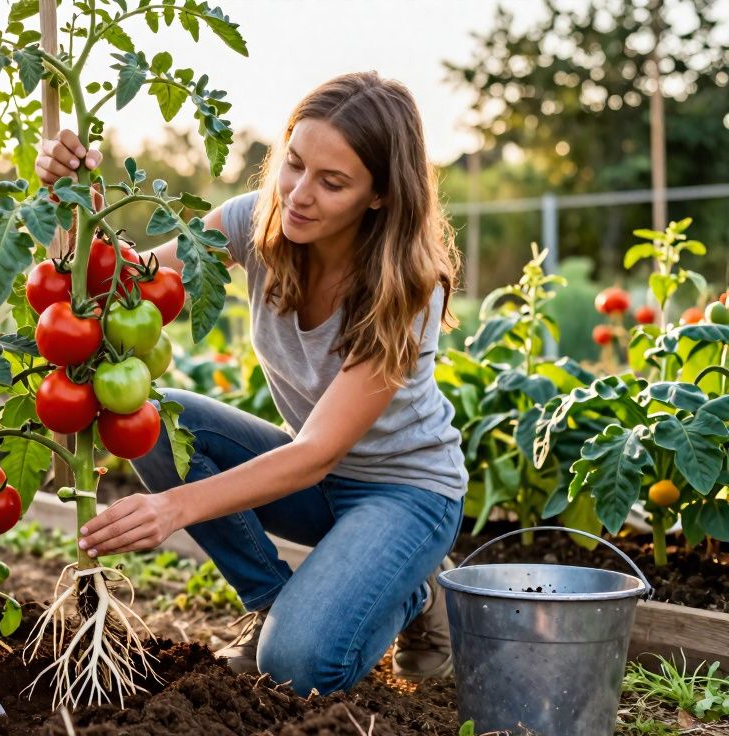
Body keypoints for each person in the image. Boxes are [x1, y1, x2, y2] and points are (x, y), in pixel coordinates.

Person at [34, 71, 468, 697]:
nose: (298, 194)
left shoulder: (408, 288)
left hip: (406, 496)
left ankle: (414, 590)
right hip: (316, 487)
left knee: (297, 665)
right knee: (157, 421)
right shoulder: (253, 224)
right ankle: (274, 600)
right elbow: (123, 287)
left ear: (379, 196)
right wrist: (76, 197)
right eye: (294, 164)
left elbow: (317, 452)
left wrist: (173, 508)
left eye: (332, 182)